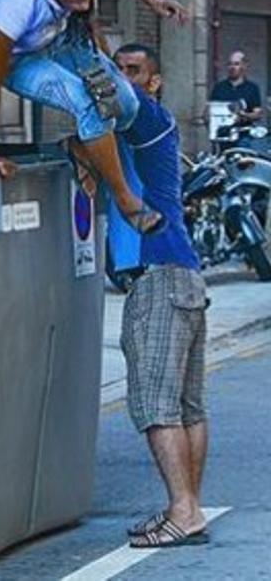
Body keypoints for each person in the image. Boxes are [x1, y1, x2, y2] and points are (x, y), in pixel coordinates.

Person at [0, 0, 188, 234]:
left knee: (125, 103)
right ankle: (127, 201)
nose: (84, 6)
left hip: (59, 40)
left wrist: (153, 0)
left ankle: (80, 147)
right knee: (87, 103)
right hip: (19, 60)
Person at [110, 43, 210, 548]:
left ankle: (184, 511)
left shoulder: (148, 119)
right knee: (187, 406)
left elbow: (101, 110)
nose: (123, 77)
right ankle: (187, 506)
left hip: (161, 277)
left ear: (154, 83)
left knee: (156, 404)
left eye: (134, 70)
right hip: (183, 274)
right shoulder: (130, 131)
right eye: (119, 68)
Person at [210, 50, 263, 124]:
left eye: (236, 64)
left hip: (243, 132)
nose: (232, 67)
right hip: (222, 132)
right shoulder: (219, 88)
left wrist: (245, 116)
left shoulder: (252, 88)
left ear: (244, 66)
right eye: (230, 64)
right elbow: (210, 109)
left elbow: (258, 114)